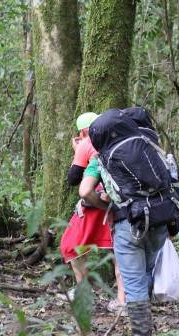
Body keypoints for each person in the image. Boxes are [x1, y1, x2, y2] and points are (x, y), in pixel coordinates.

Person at [86, 108, 172, 336]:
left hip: (129, 224)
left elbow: (93, 191)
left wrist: (104, 204)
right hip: (159, 220)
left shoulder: (105, 157)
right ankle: (144, 329)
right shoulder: (150, 146)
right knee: (144, 273)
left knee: (133, 280)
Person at [59, 113, 126, 315]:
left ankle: (83, 293)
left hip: (95, 203)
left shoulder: (87, 143)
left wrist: (77, 150)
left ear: (83, 131)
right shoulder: (118, 139)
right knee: (119, 252)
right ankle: (123, 300)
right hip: (121, 203)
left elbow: (73, 178)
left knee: (69, 245)